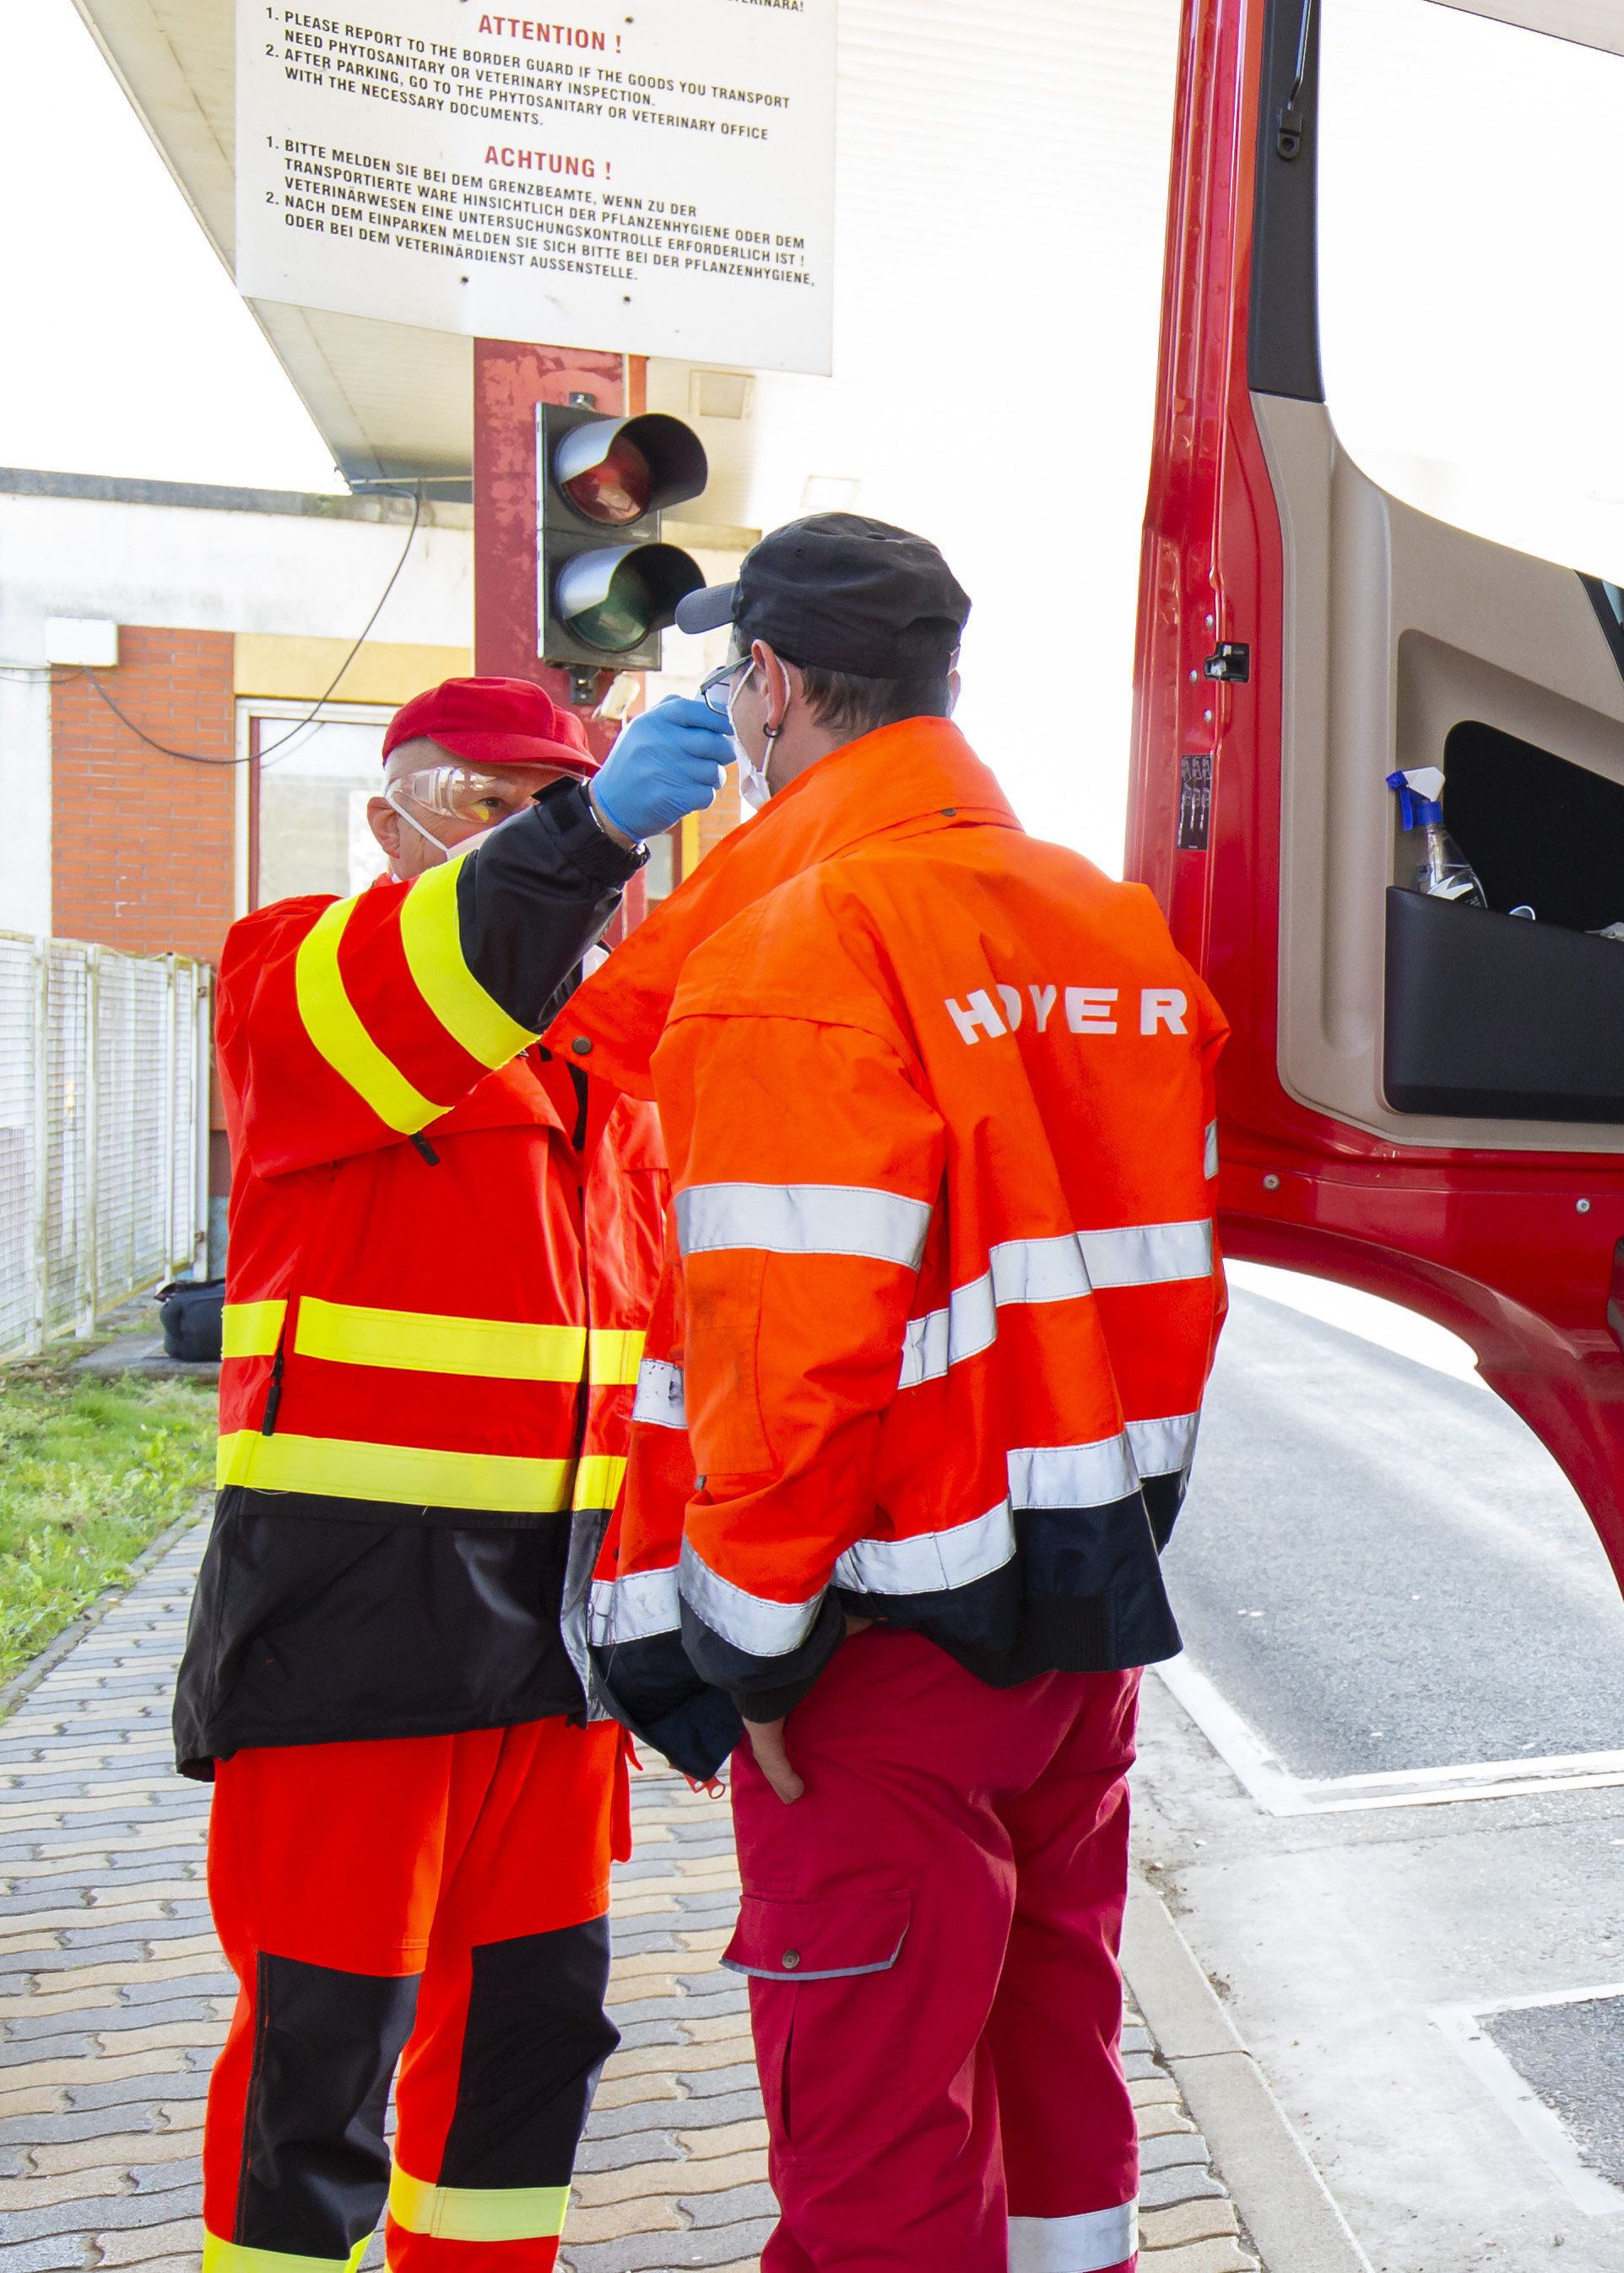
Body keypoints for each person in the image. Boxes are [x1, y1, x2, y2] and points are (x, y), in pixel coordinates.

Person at [572, 514, 1226, 2273]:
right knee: (1055, 2064)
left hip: (877, 1654)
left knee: (874, 2141)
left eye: (736, 687)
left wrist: (754, 1648)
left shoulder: (800, 948)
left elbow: (790, 1359)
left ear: (772, 690)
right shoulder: (1110, 928)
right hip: (1077, 1635)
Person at [181, 673, 735, 2272]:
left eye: (557, 810)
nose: (540, 844)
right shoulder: (297, 974)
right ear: (388, 820)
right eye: (490, 810)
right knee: (321, 2082)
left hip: (549, 1674)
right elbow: (444, 978)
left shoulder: (609, 1068)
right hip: (354, 1644)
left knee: (526, 2061)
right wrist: (590, 830)